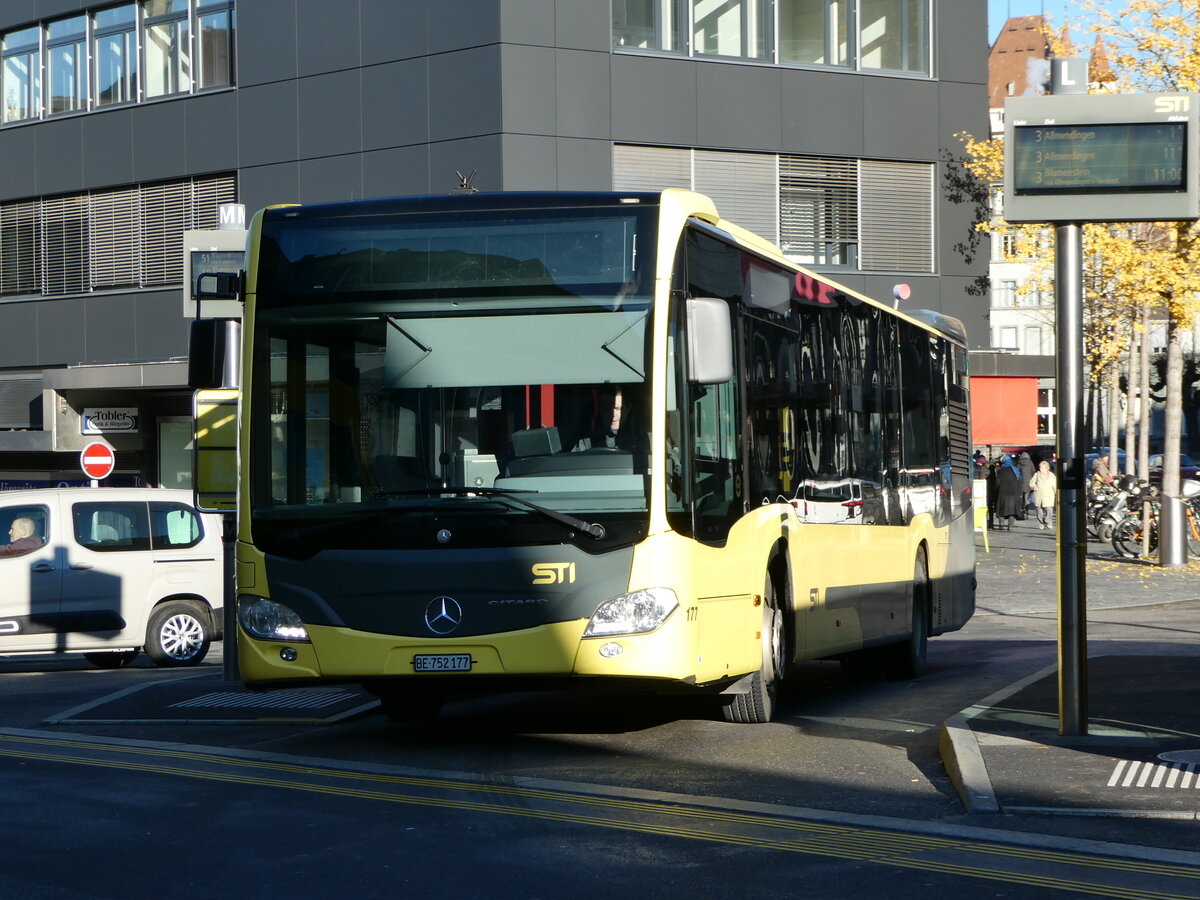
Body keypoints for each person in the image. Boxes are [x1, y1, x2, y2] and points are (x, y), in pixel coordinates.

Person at [993, 455, 1024, 530]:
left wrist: (995, 490)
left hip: (1002, 493)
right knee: (1012, 511)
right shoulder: (1015, 470)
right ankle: (1010, 526)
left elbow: (997, 483)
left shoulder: (1000, 471)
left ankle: (1001, 526)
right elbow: (1019, 482)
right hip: (1014, 493)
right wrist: (1020, 493)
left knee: (1001, 510)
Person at [1029, 459, 1056, 530]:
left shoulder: (1052, 476)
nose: (1040, 469)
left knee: (1049, 510)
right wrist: (1034, 486)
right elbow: (1031, 482)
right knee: (1039, 512)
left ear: (1047, 468)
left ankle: (1048, 523)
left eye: (1042, 468)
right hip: (1039, 496)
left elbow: (1055, 486)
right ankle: (1041, 524)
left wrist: (1057, 494)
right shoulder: (1037, 474)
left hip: (1048, 496)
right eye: (1040, 467)